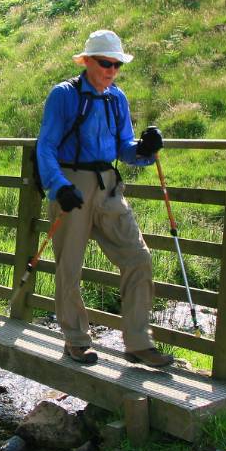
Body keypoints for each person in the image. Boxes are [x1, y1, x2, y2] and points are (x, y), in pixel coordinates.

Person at [36, 29, 168, 367]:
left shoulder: (117, 99)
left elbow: (125, 148)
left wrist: (145, 149)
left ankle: (139, 342)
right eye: (105, 63)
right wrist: (59, 185)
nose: (111, 70)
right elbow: (46, 145)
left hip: (108, 185)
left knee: (138, 258)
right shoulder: (63, 95)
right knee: (69, 267)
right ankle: (76, 341)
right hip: (72, 184)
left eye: (117, 65)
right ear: (87, 61)